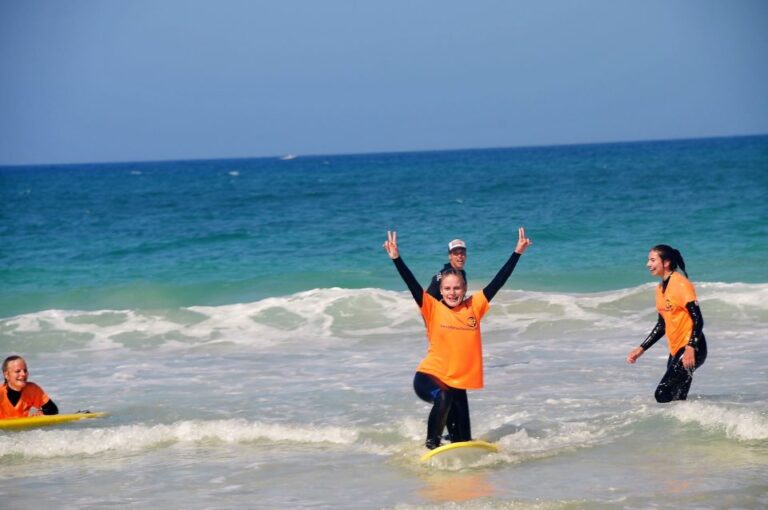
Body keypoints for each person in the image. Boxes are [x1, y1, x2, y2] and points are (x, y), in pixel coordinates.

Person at [384, 227, 532, 449]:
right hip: (429, 377)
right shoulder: (432, 308)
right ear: (440, 291)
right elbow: (411, 283)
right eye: (447, 289)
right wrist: (396, 259)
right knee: (443, 397)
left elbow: (498, 281)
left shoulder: (474, 306)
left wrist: (517, 252)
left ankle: (447, 439)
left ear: (464, 289)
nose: (452, 293)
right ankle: (431, 443)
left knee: (463, 440)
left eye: (456, 288)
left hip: (457, 383)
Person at [626, 245, 708, 402]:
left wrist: (691, 347)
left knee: (662, 393)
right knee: (677, 398)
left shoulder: (681, 284)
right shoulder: (660, 288)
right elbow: (662, 325)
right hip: (677, 349)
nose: (648, 264)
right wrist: (641, 349)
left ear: (666, 262)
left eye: (652, 260)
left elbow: (698, 319)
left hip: (692, 347)